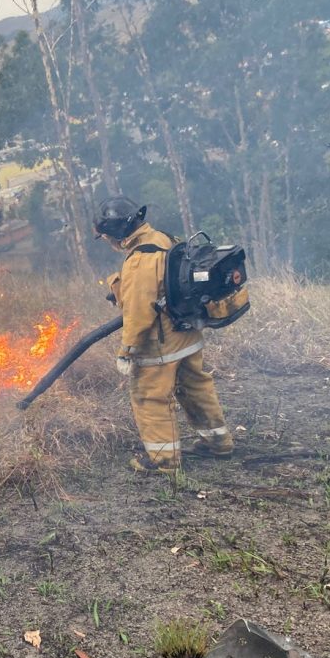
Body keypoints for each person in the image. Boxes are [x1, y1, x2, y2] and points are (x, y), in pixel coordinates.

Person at [95, 197, 234, 474]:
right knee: (196, 388)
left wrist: (127, 350)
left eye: (107, 236)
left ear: (117, 234)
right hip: (188, 334)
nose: (108, 241)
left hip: (161, 344)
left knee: (150, 397)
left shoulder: (138, 261)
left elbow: (138, 313)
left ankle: (163, 460)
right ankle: (219, 443)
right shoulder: (164, 238)